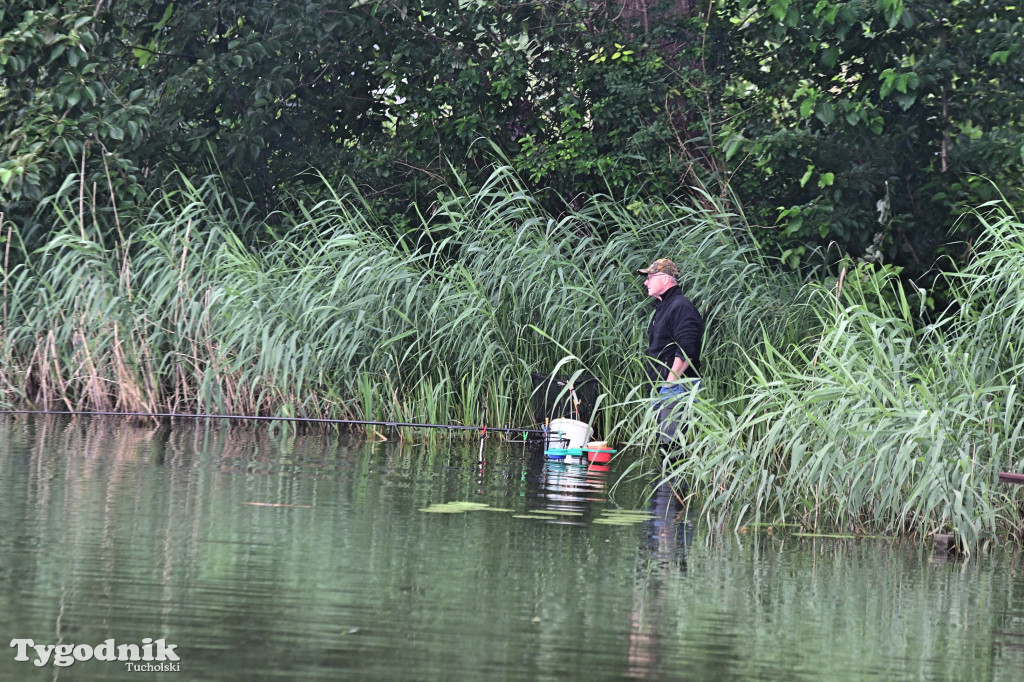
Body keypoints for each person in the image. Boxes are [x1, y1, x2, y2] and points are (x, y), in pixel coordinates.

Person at [637, 258, 704, 451]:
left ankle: (675, 482)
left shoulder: (680, 306)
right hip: (665, 388)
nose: (645, 282)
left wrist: (669, 385)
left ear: (665, 280)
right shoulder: (664, 307)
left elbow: (686, 349)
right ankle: (668, 481)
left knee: (672, 449)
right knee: (665, 447)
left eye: (650, 277)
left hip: (677, 390)